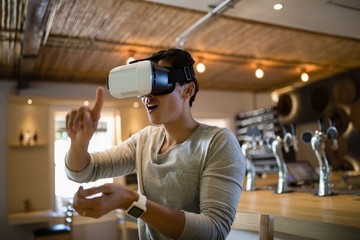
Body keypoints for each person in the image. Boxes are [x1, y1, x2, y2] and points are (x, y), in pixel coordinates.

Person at [65, 48, 246, 240]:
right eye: (143, 87)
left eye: (157, 82)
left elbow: (213, 231)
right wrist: (79, 145)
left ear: (188, 90)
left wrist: (132, 201)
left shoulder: (218, 142)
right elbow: (84, 172)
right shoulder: (144, 140)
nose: (147, 96)